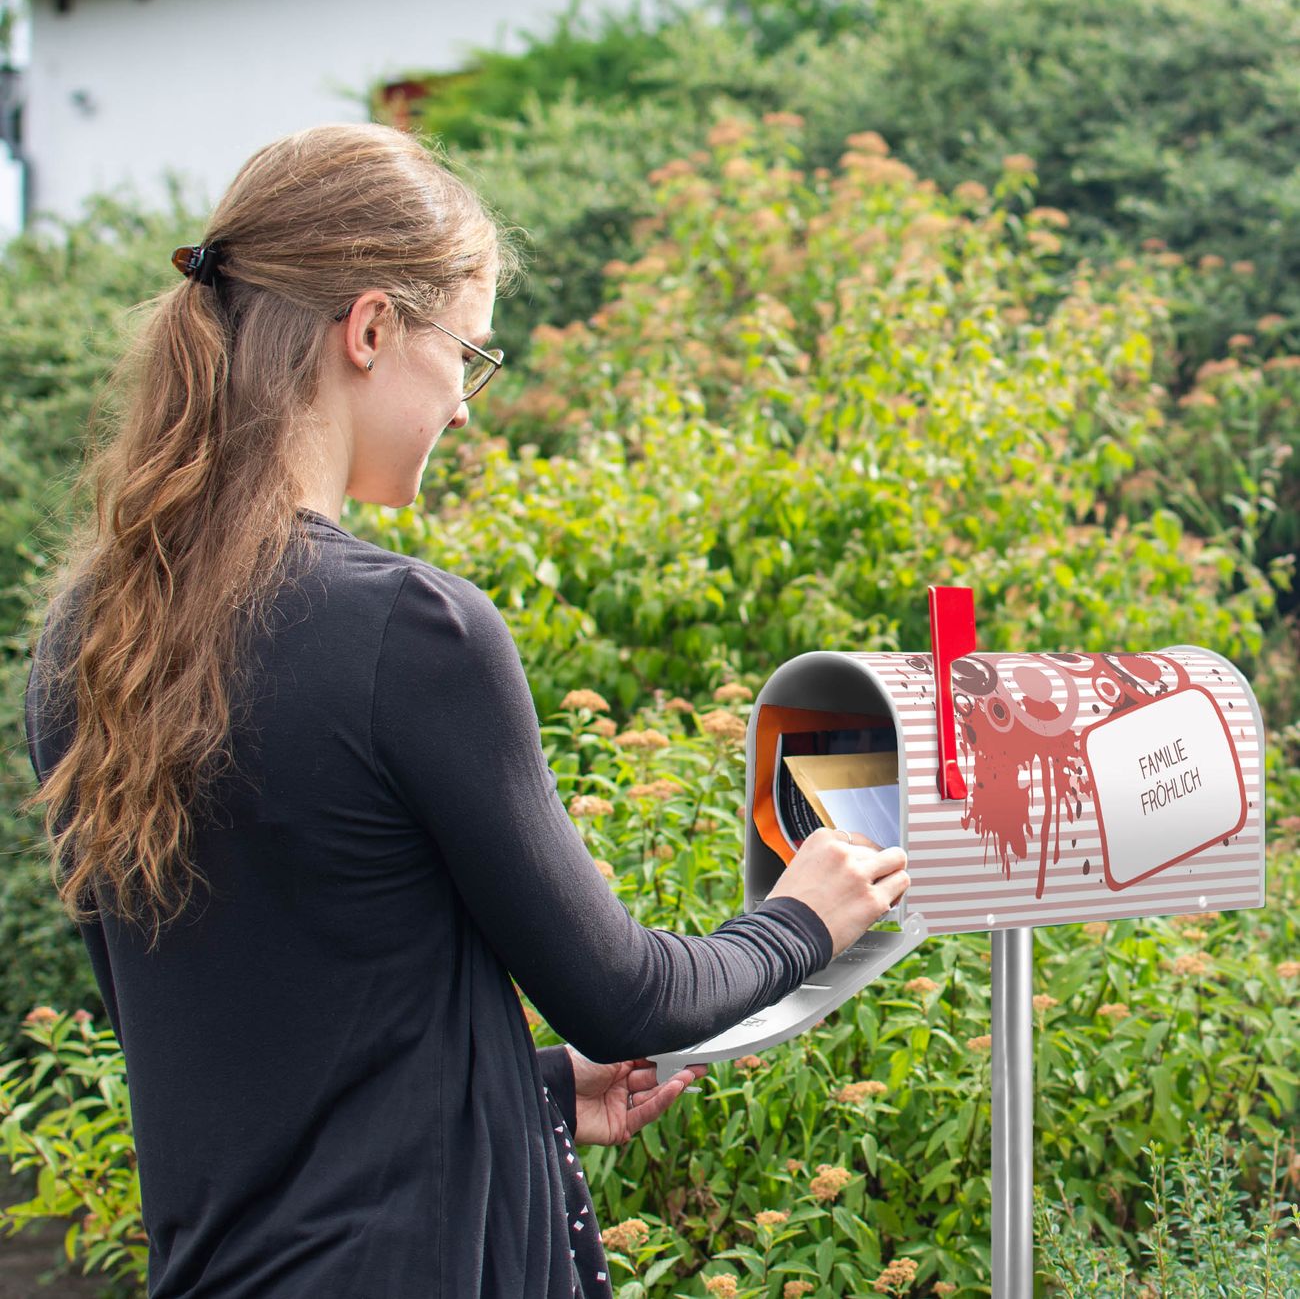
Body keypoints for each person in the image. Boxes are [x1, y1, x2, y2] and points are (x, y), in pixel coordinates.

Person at [21, 123, 911, 1298]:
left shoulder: (87, 640)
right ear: (370, 328)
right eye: (467, 354)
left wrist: (526, 1087)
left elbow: (235, 1043)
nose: (465, 407)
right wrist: (802, 917)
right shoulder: (406, 630)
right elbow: (629, 994)